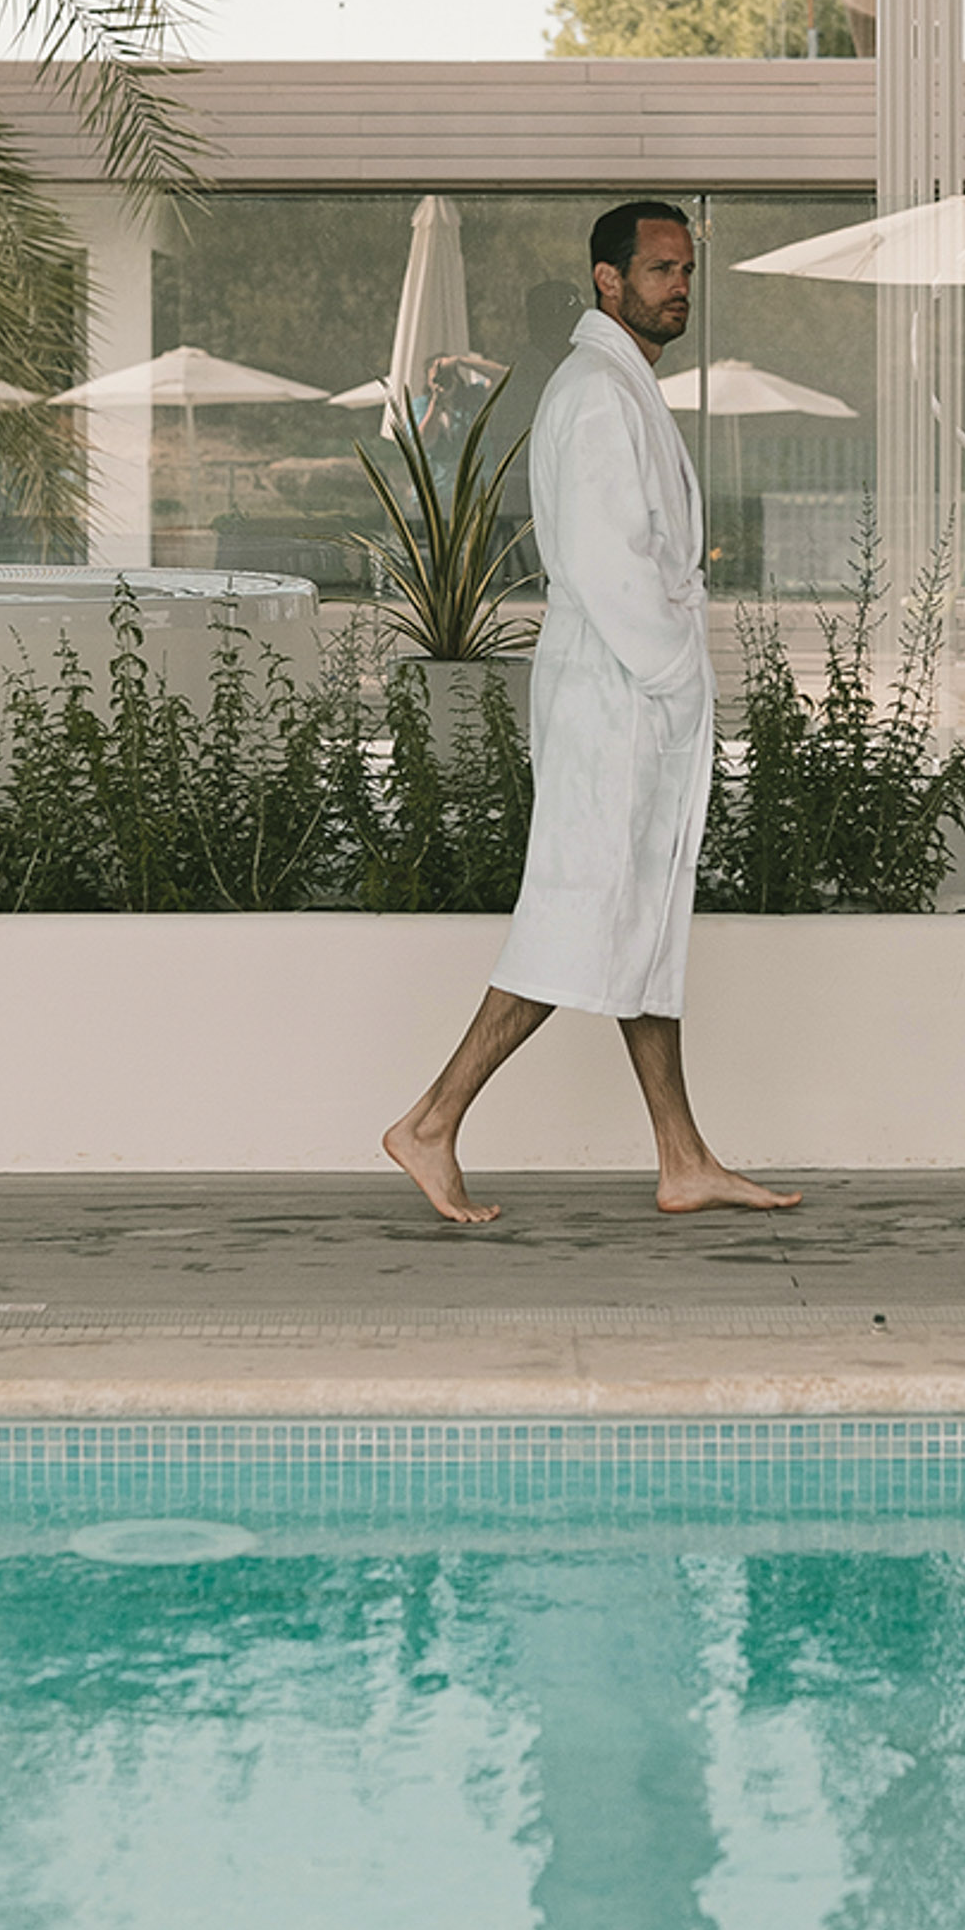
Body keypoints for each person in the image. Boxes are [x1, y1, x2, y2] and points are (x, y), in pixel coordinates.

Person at [383, 198, 800, 1230]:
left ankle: (682, 1155)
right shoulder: (598, 395)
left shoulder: (617, 387)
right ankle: (431, 1120)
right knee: (574, 924)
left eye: (687, 268)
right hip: (618, 701)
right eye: (660, 268)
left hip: (628, 701)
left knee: (637, 926)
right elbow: (612, 568)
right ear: (607, 282)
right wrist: (673, 678)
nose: (680, 286)